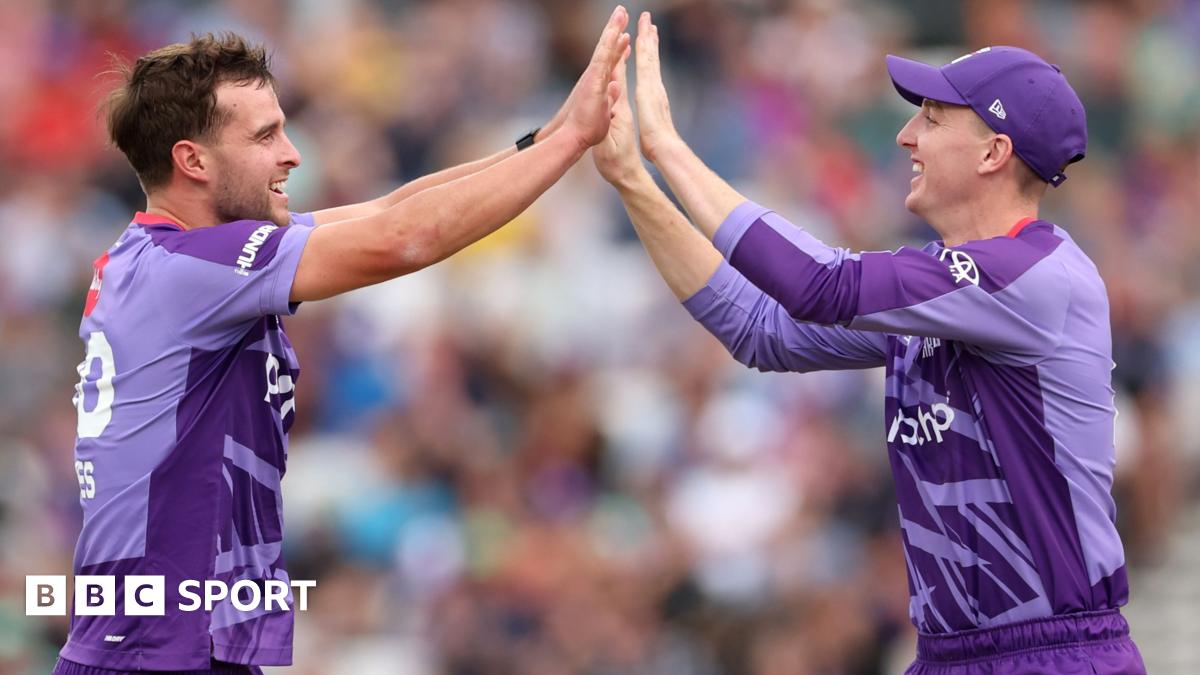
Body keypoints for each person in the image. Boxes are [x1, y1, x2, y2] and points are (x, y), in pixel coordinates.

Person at [59, 8, 630, 674]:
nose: (292, 153)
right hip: (156, 651)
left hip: (170, 643)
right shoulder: (195, 269)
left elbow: (389, 210)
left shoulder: (176, 259)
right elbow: (405, 239)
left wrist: (552, 134)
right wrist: (570, 147)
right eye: (266, 134)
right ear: (192, 160)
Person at [592, 12, 1146, 674]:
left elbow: (817, 284)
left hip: (1054, 655)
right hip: (947, 654)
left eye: (933, 119)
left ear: (993, 153)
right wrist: (633, 179)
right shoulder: (946, 289)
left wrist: (670, 149)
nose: (906, 136)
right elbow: (760, 329)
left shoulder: (1036, 278)